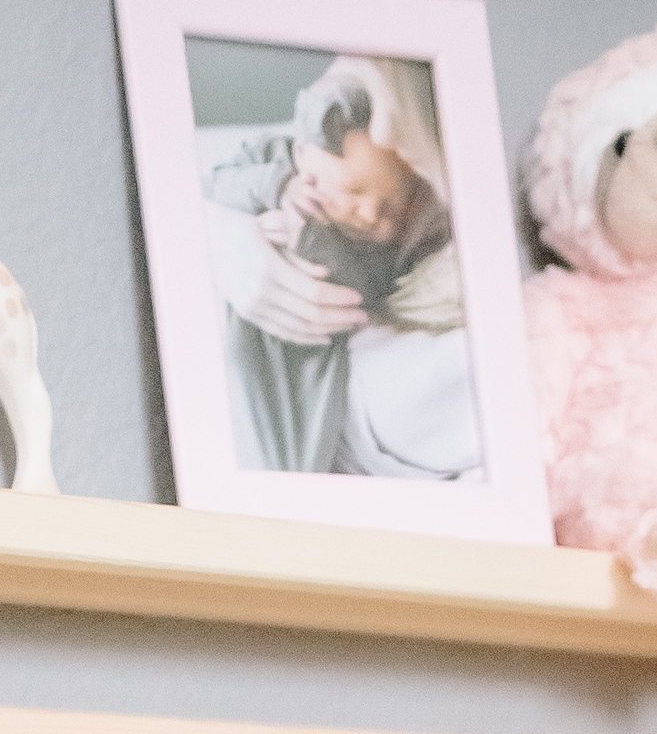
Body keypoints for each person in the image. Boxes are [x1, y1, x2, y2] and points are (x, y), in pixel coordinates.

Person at [202, 56, 482, 484]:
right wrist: (265, 198)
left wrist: (306, 239)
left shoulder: (420, 241)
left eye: (395, 206)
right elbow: (220, 179)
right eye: (353, 192)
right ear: (304, 161)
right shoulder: (278, 163)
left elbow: (366, 286)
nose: (371, 214)